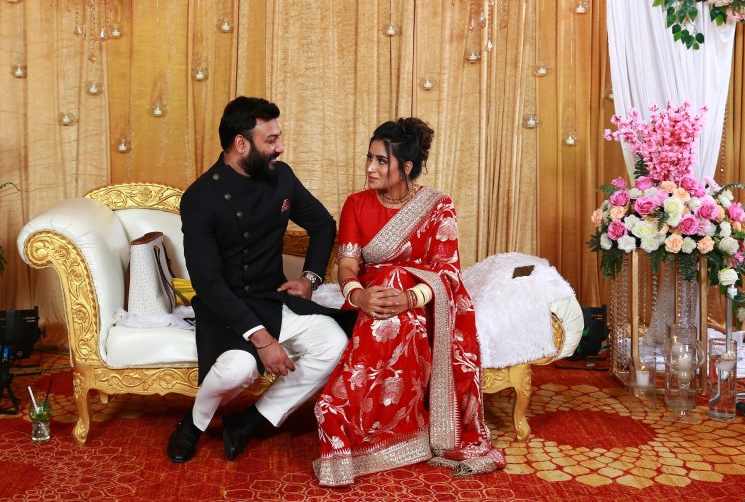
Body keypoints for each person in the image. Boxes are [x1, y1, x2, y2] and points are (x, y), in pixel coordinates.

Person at [313, 118, 505, 486]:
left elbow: (447, 272)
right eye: (369, 157)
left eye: (381, 161)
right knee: (389, 277)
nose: (370, 167)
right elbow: (348, 263)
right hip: (372, 299)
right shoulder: (356, 204)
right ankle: (359, 418)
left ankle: (365, 419)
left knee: (400, 277)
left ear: (407, 167)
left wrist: (408, 297)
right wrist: (358, 294)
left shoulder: (437, 205)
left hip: (422, 303)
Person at [166, 96, 356, 464]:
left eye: (278, 138)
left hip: (272, 298)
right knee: (236, 368)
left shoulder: (281, 177)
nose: (280, 147)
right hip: (226, 307)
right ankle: (192, 424)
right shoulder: (200, 198)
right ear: (241, 144)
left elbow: (322, 224)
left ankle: (251, 420)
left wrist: (310, 279)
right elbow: (207, 282)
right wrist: (263, 339)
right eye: (270, 140)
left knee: (333, 342)